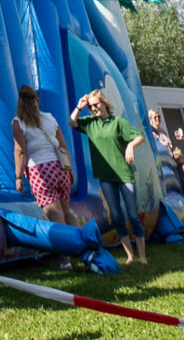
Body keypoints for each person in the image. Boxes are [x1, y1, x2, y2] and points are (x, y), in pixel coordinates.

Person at [71, 87, 149, 266]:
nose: (94, 109)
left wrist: (130, 146)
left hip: (123, 175)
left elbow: (139, 137)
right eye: (91, 107)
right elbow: (71, 122)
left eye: (95, 105)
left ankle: (142, 256)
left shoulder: (118, 122)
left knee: (133, 215)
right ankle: (130, 255)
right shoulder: (90, 123)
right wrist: (80, 106)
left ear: (104, 103)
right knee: (116, 216)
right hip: (105, 177)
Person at [12, 86, 76, 225]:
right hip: (60, 168)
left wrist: (18, 177)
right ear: (36, 101)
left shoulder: (18, 122)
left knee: (55, 216)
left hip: (41, 172)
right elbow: (62, 146)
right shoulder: (49, 117)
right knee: (67, 213)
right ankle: (85, 245)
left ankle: (64, 246)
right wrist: (69, 169)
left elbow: (20, 151)